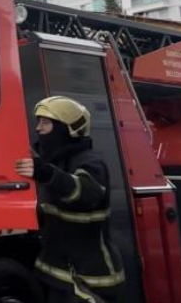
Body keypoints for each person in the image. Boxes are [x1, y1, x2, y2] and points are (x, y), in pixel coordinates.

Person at [14, 96, 125, 303]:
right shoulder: (55, 162)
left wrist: (46, 174)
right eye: (38, 122)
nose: (38, 129)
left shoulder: (90, 162)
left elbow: (85, 193)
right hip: (60, 274)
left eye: (46, 123)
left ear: (68, 128)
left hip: (89, 276)